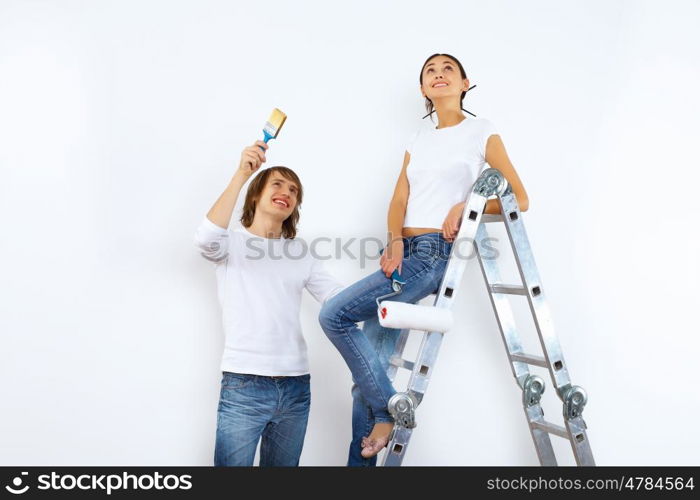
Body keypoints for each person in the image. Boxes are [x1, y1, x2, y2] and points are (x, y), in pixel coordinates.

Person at [318, 53, 530, 464]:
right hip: (402, 253)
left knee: (334, 315)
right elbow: (400, 198)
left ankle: (388, 410)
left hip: (434, 254)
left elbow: (518, 199)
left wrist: (469, 204)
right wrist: (394, 240)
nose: (438, 75)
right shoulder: (418, 139)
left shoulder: (481, 131)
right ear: (422, 89)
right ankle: (379, 421)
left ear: (465, 83)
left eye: (448, 69)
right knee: (366, 378)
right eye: (430, 71)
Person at [194, 140, 345, 466]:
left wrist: (387, 286)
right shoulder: (231, 243)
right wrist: (241, 174)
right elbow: (205, 238)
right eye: (277, 184)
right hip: (244, 385)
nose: (287, 193)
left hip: (296, 387)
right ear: (256, 195)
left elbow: (337, 298)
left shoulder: (300, 252)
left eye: (294, 190)